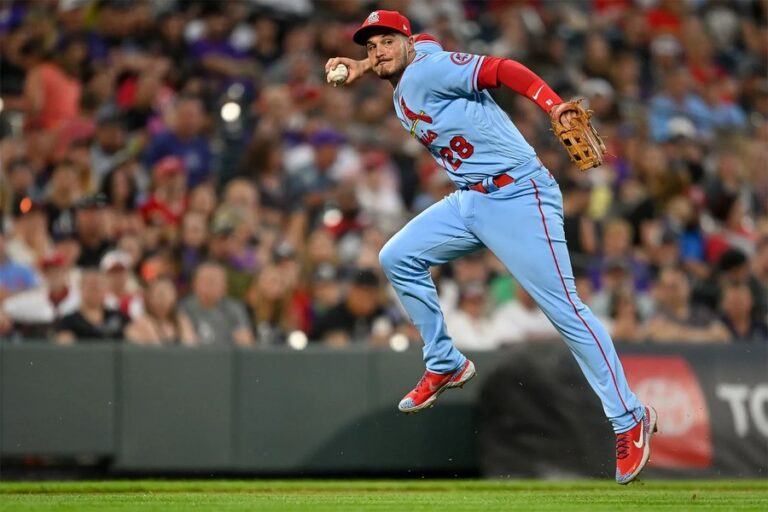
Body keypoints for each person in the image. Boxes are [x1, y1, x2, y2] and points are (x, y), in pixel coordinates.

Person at [327, 10, 655, 484]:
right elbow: (424, 40)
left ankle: (629, 417)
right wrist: (363, 66)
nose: (378, 51)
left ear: (406, 43)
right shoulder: (414, 61)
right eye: (371, 45)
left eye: (387, 42)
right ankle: (445, 363)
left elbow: (502, 69)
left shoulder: (427, 70)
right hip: (471, 199)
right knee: (398, 256)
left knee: (566, 310)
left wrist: (552, 104)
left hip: (518, 195)